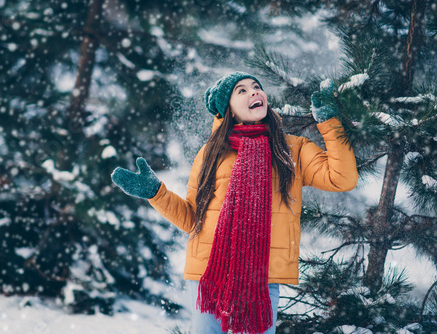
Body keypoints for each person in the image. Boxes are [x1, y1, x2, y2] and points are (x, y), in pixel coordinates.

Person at [111, 72, 359, 334]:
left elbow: (342, 178)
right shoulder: (210, 153)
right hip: (210, 275)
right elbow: (192, 219)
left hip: (260, 279)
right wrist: (156, 193)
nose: (254, 92)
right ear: (227, 108)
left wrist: (330, 122)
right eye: (241, 91)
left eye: (256, 87)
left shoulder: (290, 149)